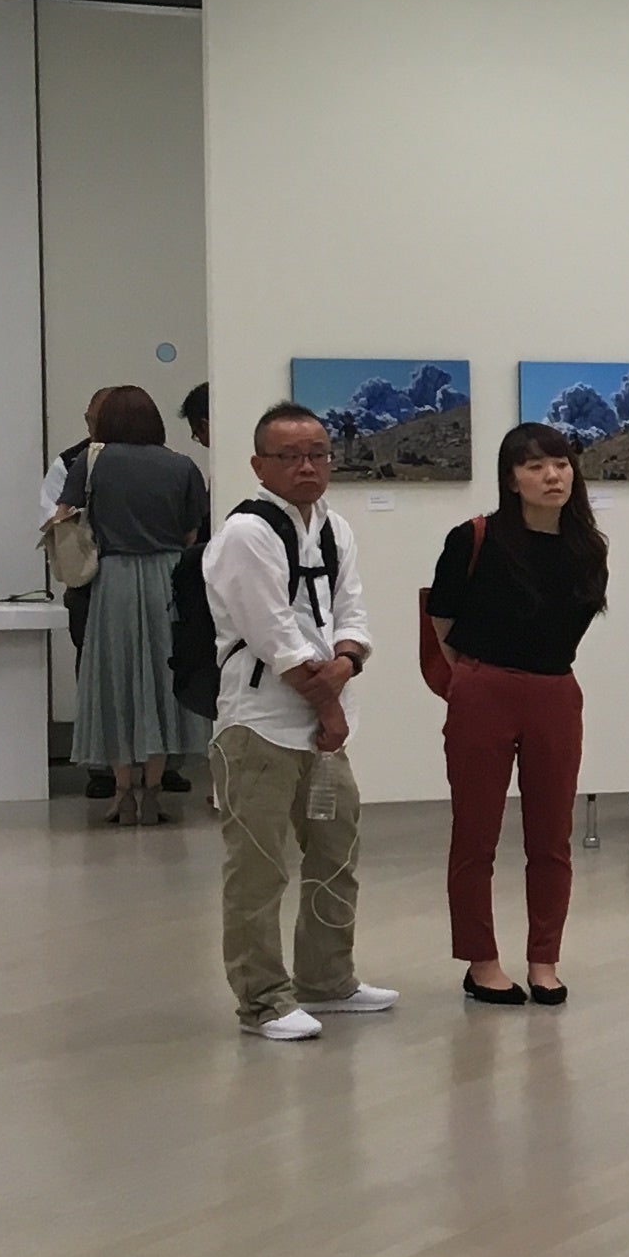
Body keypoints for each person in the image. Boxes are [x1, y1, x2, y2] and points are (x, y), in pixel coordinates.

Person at [204, 403, 394, 1043]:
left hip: (324, 727)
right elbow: (274, 637)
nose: (307, 466)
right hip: (259, 725)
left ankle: (327, 979)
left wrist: (348, 660)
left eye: (317, 454)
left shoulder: (334, 528)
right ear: (259, 465)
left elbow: (351, 611)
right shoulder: (246, 533)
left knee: (336, 852)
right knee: (258, 869)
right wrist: (331, 705)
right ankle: (262, 999)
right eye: (289, 456)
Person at [429, 422, 607, 1007]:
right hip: (484, 688)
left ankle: (544, 960)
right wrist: (474, 678)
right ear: (511, 479)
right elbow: (443, 621)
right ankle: (480, 961)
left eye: (560, 463)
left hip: (556, 692)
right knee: (475, 833)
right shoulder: (474, 538)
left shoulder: (588, 547)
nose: (552, 476)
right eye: (535, 466)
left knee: (552, 836)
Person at [61, 385, 210, 828]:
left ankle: (122, 792)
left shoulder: (91, 462)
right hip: (168, 579)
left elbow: (64, 516)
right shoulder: (182, 466)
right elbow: (192, 533)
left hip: (115, 580)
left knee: (117, 682)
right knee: (163, 681)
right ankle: (154, 792)